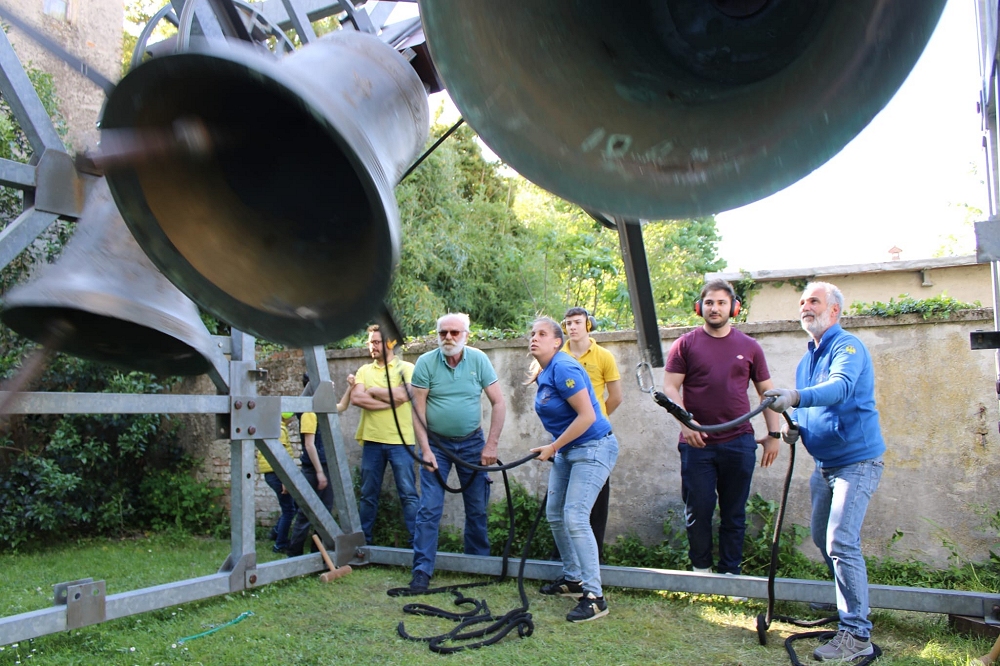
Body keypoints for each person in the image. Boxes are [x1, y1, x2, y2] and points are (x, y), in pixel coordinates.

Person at [765, 281, 885, 662]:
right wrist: (794, 426)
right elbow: (810, 409)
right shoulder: (807, 361)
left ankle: (857, 634)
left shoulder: (848, 347)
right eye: (802, 301)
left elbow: (840, 388)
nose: (805, 306)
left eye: (814, 301)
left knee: (841, 540)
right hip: (825, 466)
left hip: (857, 462)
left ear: (834, 310)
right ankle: (848, 601)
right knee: (823, 537)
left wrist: (796, 397)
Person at [662, 279, 781, 581]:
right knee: (698, 511)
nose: (714, 308)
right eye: (709, 303)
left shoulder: (750, 347)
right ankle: (701, 572)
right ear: (699, 307)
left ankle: (731, 574)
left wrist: (773, 435)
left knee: (734, 513)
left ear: (734, 308)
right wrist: (686, 423)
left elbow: (767, 393)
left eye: (721, 303)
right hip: (697, 444)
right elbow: (670, 388)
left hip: (739, 442)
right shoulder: (685, 344)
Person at [408, 313, 507, 592]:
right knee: (429, 508)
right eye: (443, 333)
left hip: (473, 443)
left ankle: (478, 566)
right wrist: (425, 450)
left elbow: (499, 402)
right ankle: (422, 571)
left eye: (454, 332)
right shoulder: (425, 362)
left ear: (466, 335)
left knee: (477, 508)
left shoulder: (478, 360)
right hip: (436, 446)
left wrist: (491, 445)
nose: (448, 338)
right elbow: (418, 410)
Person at [529, 317, 618, 622]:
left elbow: (588, 416)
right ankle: (573, 579)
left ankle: (595, 597)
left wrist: (553, 447)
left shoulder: (564, 367)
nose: (534, 338)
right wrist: (556, 446)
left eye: (542, 334)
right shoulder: (545, 371)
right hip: (569, 449)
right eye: (532, 333)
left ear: (557, 342)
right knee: (555, 513)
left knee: (575, 516)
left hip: (594, 447)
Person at [350, 324, 419, 546]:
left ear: (389, 343)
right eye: (370, 342)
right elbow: (356, 398)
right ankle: (364, 544)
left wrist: (374, 392)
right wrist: (390, 402)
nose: (372, 346)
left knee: (408, 494)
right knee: (368, 495)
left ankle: (416, 545)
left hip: (401, 442)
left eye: (376, 342)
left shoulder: (406, 368)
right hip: (372, 441)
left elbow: (406, 394)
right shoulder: (364, 371)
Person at [561, 307, 621, 563]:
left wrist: (594, 419)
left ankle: (594, 561)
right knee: (563, 503)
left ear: (589, 325)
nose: (572, 327)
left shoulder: (604, 356)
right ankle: (565, 562)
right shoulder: (558, 356)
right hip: (566, 437)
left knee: (595, 503)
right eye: (568, 323)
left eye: (577, 322)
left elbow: (616, 397)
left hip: (596, 441)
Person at [286, 372, 353, 557]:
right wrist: (319, 472)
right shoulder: (309, 411)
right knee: (307, 513)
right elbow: (309, 445)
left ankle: (318, 553)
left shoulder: (322, 407)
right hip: (314, 469)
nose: (332, 384)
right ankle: (294, 554)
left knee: (325, 513)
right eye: (327, 382)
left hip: (324, 466)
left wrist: (350, 387)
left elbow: (342, 406)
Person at [258, 411, 298, 553]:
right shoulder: (279, 430)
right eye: (291, 416)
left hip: (272, 473)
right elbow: (280, 457)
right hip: (277, 474)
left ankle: (276, 532)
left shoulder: (271, 426)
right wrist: (285, 480)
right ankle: (280, 544)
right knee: (289, 510)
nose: (292, 419)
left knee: (293, 505)